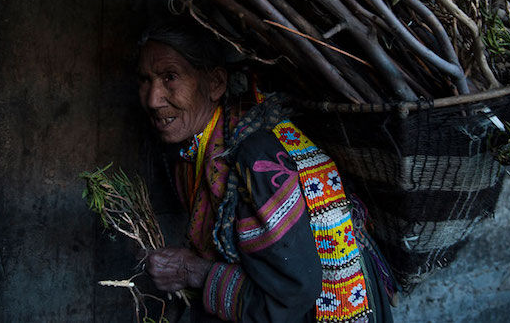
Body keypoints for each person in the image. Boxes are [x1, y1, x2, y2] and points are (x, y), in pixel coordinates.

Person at [138, 20, 394, 323]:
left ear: (216, 83)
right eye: (144, 80)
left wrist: (191, 271)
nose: (153, 99)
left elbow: (290, 295)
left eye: (170, 77)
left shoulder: (256, 158)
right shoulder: (194, 155)